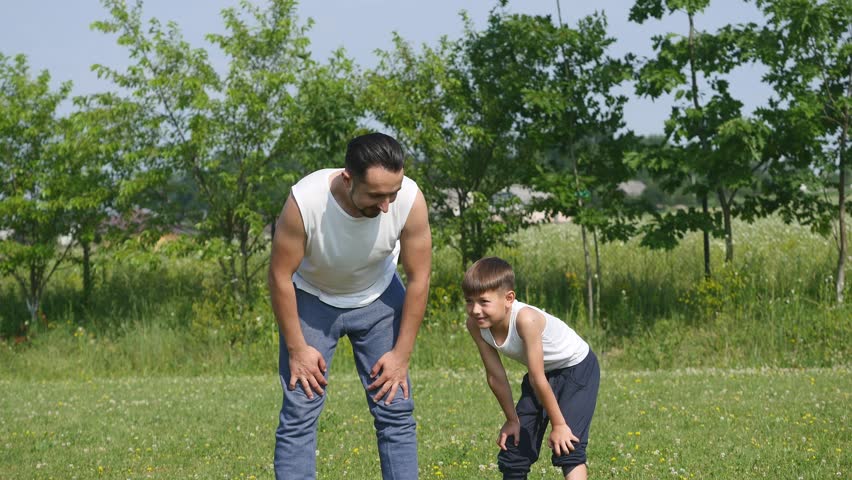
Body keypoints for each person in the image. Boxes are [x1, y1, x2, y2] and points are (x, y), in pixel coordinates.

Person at [268, 132, 431, 479]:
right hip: (312, 300)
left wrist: (401, 355)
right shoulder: (306, 202)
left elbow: (419, 278)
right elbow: (280, 275)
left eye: (392, 194)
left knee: (395, 407)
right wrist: (297, 349)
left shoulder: (410, 199)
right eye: (375, 195)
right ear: (348, 178)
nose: (386, 206)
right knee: (300, 409)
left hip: (379, 298)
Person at [462, 257, 600, 480]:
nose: (475, 310)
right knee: (514, 450)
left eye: (484, 302)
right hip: (543, 375)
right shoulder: (475, 326)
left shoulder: (526, 319)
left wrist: (559, 424)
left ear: (509, 299)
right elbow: (495, 376)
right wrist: (512, 419)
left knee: (568, 445)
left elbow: (537, 378)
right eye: (469, 301)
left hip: (577, 368)